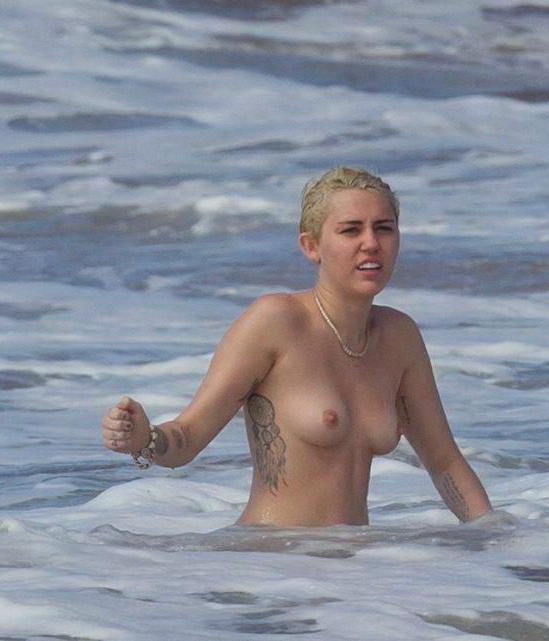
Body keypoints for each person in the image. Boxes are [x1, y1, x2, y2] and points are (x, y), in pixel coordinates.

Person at [101, 166, 492, 527]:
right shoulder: (276, 322)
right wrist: (145, 439)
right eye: (351, 230)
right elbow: (188, 438)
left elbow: (445, 462)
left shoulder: (399, 336)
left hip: (360, 564)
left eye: (384, 228)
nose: (371, 243)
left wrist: (497, 538)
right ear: (311, 246)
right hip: (274, 562)